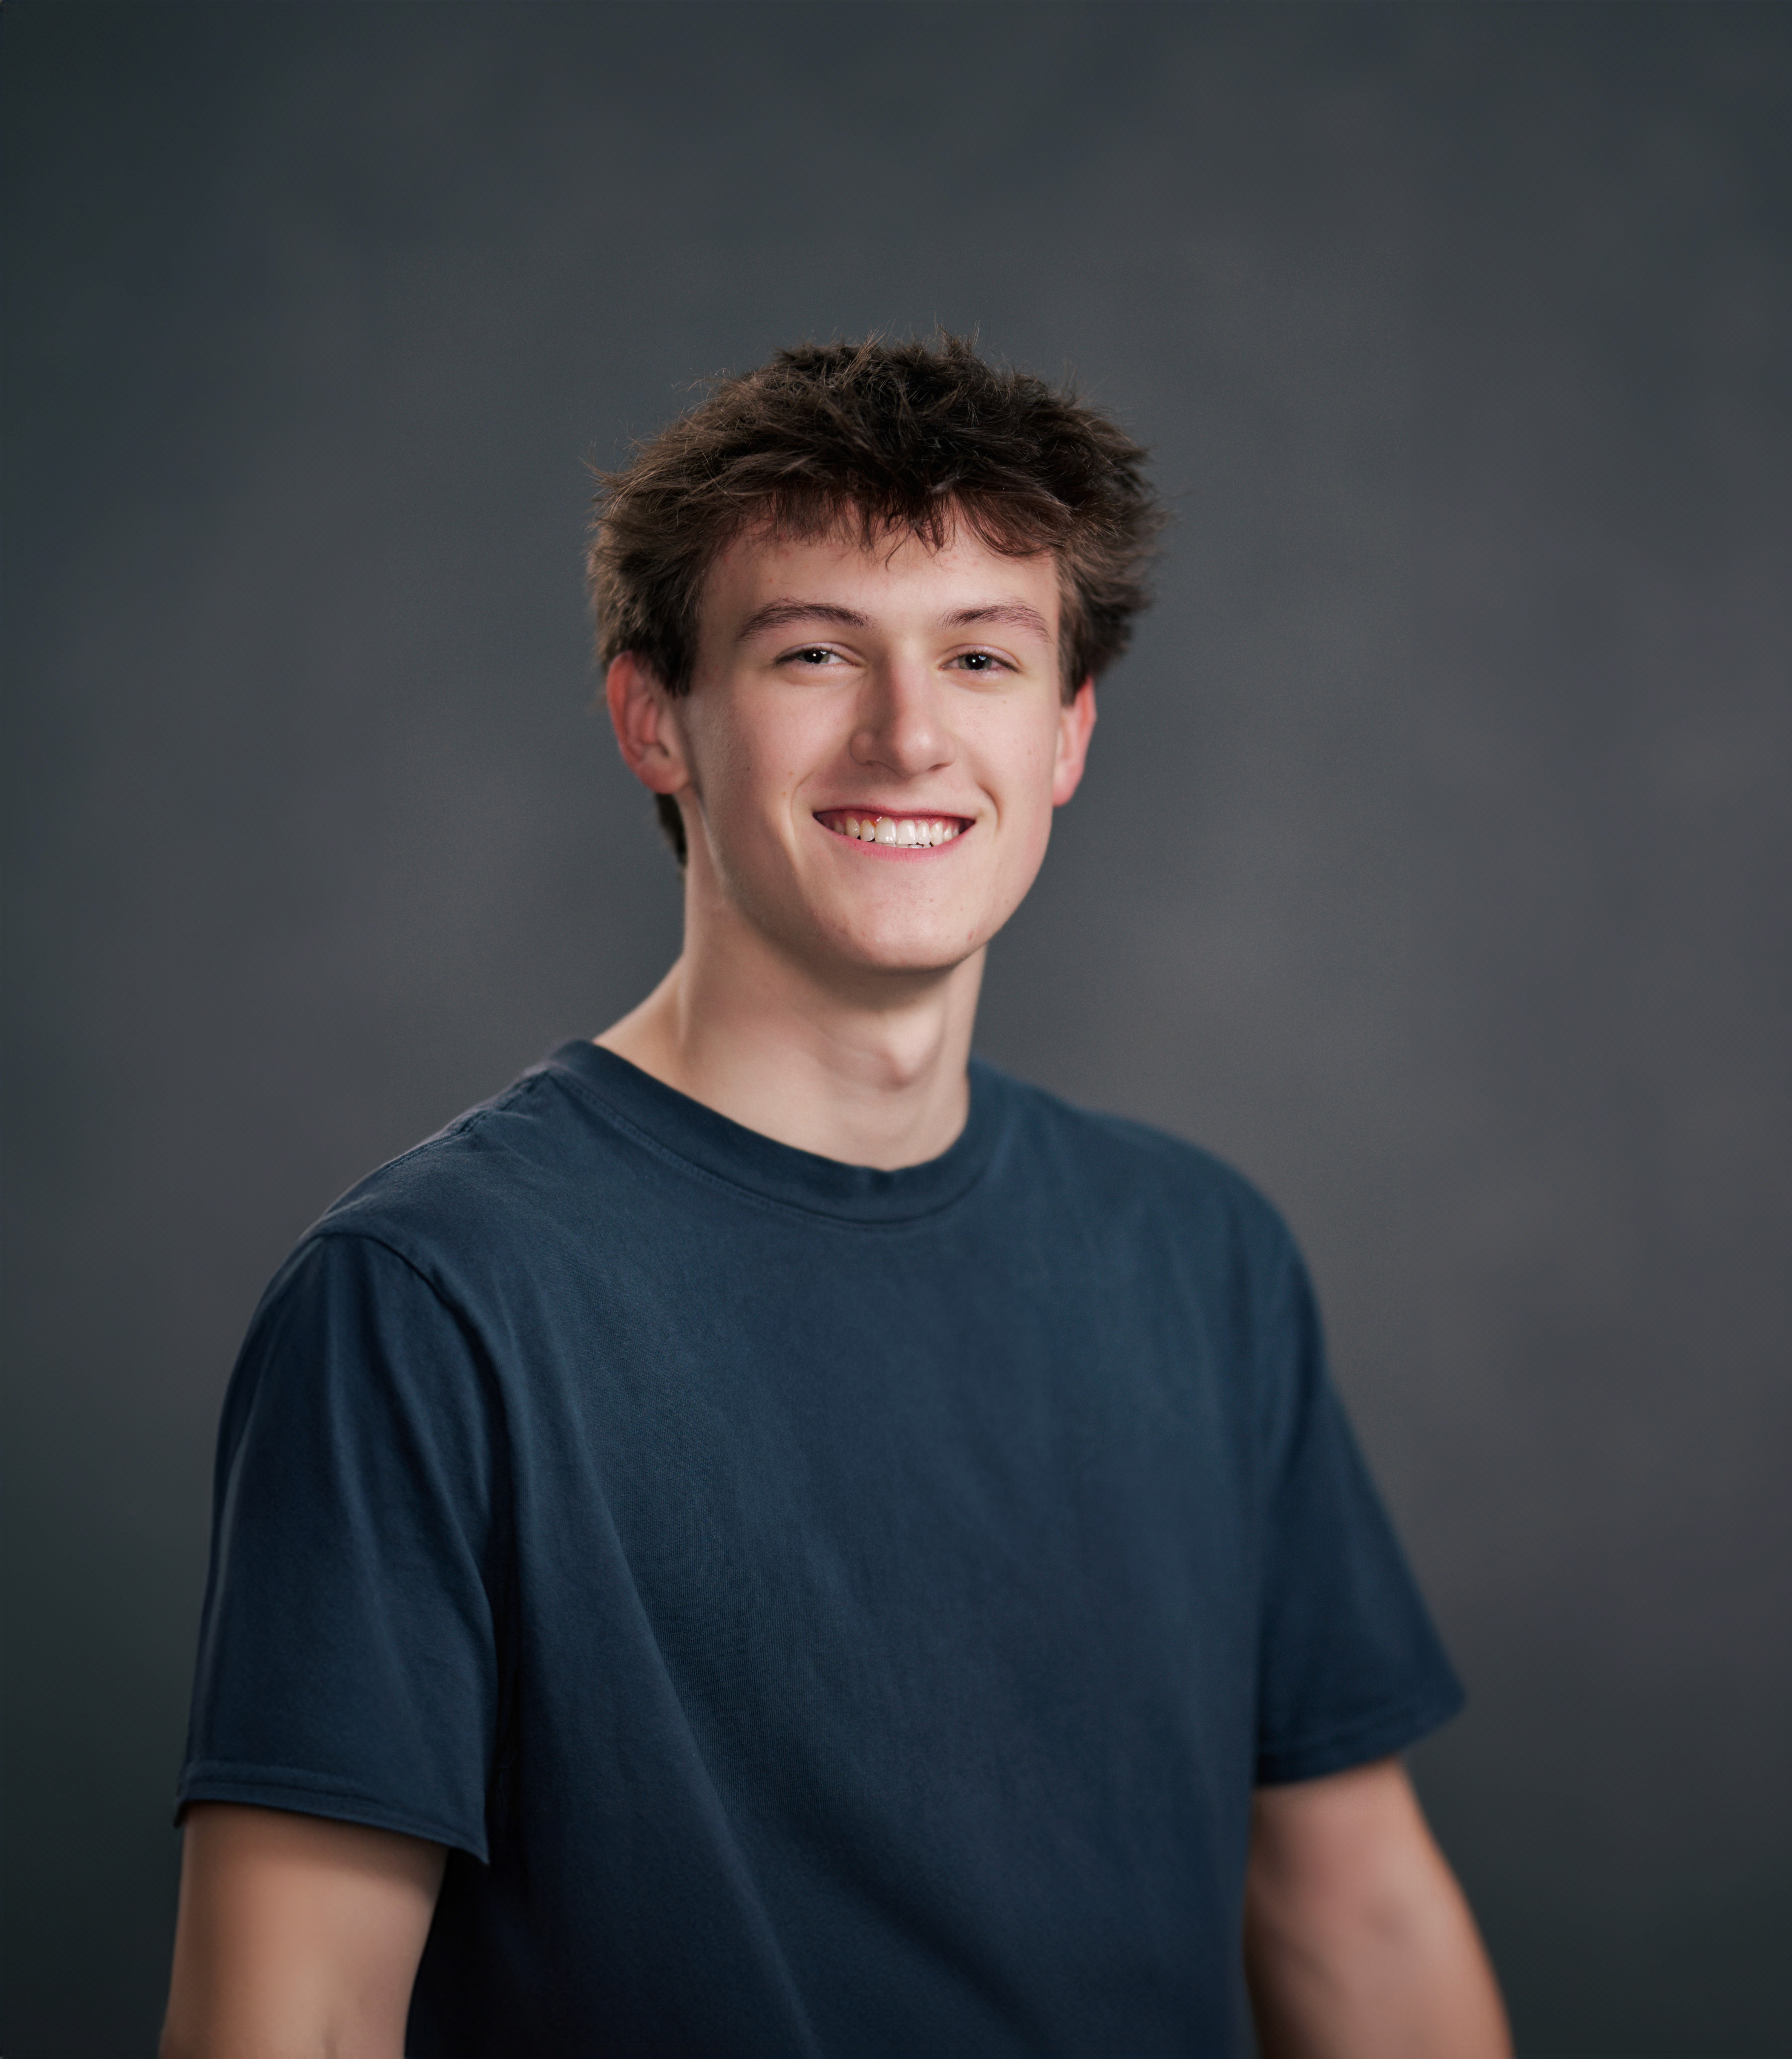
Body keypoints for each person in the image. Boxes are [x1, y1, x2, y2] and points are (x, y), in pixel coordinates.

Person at [162, 334, 1511, 2059]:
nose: (910, 734)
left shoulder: (1202, 1257)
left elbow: (1360, 1922)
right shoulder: (428, 1301)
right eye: (813, 652)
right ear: (658, 718)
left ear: (1070, 731)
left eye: (981, 656)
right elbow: (302, 2024)